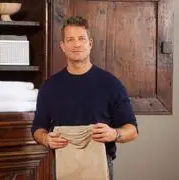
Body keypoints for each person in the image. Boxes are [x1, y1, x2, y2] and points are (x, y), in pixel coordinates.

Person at [31, 16, 139, 180]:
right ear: (62, 46)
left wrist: (114, 134)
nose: (76, 44)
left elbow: (132, 130)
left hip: (100, 164)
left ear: (90, 43)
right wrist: (45, 139)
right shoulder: (49, 87)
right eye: (70, 40)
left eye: (81, 38)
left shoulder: (111, 84)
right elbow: (37, 129)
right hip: (62, 164)